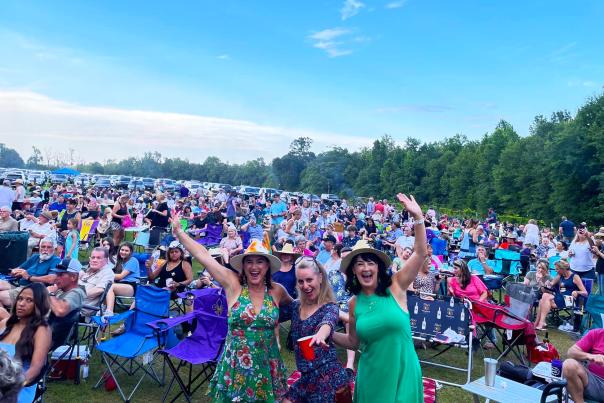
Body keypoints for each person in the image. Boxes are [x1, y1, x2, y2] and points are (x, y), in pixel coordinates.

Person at [171, 221, 291, 402]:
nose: (254, 267)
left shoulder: (277, 290)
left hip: (268, 361)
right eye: (249, 262)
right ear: (243, 266)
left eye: (260, 261)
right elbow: (204, 256)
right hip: (236, 364)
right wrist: (180, 233)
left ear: (267, 266)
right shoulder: (233, 285)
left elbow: (297, 306)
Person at [332, 193, 426, 403]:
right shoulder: (354, 302)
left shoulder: (396, 286)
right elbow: (353, 342)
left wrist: (418, 218)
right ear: (353, 271)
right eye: (359, 264)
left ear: (378, 267)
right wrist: (328, 333)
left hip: (403, 372)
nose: (365, 268)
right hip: (370, 376)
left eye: (370, 263)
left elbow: (420, 253)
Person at [283, 257, 353, 403]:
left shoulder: (330, 307)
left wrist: (321, 334)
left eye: (309, 280)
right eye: (301, 281)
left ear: (320, 278)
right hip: (306, 377)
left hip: (328, 379)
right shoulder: (296, 306)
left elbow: (328, 322)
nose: (305, 285)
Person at [0, 283, 51, 403]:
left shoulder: (41, 330)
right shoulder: (5, 323)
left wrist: (9, 386)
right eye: (20, 298)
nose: (22, 303)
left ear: (39, 305)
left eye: (29, 300)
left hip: (18, 387)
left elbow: (35, 369)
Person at [0, 238, 59, 308]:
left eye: (49, 247)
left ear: (53, 249)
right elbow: (19, 268)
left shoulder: (56, 260)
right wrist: (14, 271)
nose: (45, 249)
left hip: (31, 290)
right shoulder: (35, 257)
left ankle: (7, 318)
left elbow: (52, 279)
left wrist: (29, 277)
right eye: (43, 247)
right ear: (39, 248)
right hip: (18, 284)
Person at [534, 260, 587, 330]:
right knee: (542, 300)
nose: (556, 271)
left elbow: (585, 292)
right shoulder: (560, 275)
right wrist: (544, 282)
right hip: (559, 298)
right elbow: (550, 285)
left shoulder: (575, 277)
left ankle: (540, 323)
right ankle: (538, 323)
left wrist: (577, 292)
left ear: (563, 269)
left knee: (545, 296)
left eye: (557, 269)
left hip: (569, 300)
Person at [47, 258, 86, 348]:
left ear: (73, 277)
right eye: (56, 274)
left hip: (48, 339)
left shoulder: (76, 293)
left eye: (61, 274)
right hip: (41, 331)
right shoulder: (62, 290)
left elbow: (60, 311)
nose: (56, 277)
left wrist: (50, 294)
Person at [562, 328, 604, 403]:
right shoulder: (597, 334)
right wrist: (590, 356)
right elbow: (571, 352)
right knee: (569, 365)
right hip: (594, 382)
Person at [103, 242, 140, 317]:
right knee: (104, 285)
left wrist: (105, 274)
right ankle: (103, 308)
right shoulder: (120, 261)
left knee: (110, 286)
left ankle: (109, 311)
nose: (123, 252)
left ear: (131, 252)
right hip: (120, 285)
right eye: (122, 250)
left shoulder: (133, 260)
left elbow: (120, 276)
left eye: (126, 251)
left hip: (131, 286)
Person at [592, 228, 604, 294]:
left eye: (600, 237)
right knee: (600, 289)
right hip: (600, 267)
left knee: (603, 289)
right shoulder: (601, 246)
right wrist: (594, 252)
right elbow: (598, 256)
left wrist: (597, 252)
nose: (598, 239)